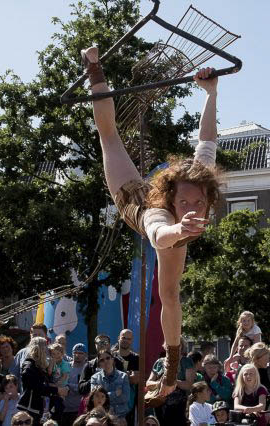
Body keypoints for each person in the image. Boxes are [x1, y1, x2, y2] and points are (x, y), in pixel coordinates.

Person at [84, 44, 220, 399]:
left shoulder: (201, 181)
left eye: (199, 203)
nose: (193, 208)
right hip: (136, 203)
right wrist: (179, 228)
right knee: (109, 137)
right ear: (173, 200)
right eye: (185, 203)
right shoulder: (159, 213)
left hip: (173, 230)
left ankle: (170, 372)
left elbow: (207, 138)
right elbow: (159, 234)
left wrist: (211, 93)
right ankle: (94, 68)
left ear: (206, 196)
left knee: (170, 294)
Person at [146, 339, 195, 426]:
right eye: (169, 344)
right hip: (159, 403)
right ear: (165, 346)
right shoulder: (159, 362)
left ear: (181, 346)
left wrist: (172, 381)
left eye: (176, 344)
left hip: (179, 405)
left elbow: (189, 385)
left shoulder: (186, 361)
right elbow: (148, 383)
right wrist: (160, 383)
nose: (172, 347)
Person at [19, 337, 68, 423]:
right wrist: (57, 390)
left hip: (41, 410)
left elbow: (45, 384)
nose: (48, 349)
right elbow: (36, 387)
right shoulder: (29, 366)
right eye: (45, 346)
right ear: (39, 349)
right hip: (31, 410)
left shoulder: (40, 365)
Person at [90, 350, 130, 421]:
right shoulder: (94, 378)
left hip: (120, 417)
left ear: (112, 360)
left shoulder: (123, 376)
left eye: (108, 358)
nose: (105, 361)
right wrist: (115, 393)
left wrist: (103, 397)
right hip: (101, 417)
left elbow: (125, 398)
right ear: (99, 364)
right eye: (102, 360)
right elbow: (96, 399)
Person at [249, 343, 270, 426]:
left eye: (268, 357)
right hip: (251, 417)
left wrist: (269, 411)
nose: (268, 360)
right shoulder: (247, 371)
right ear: (256, 358)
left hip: (269, 417)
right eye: (266, 358)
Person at [112, 329, 139, 426]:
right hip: (112, 403)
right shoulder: (110, 357)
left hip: (129, 404)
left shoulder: (136, 358)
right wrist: (127, 376)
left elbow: (135, 380)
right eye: (123, 338)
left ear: (132, 341)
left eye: (129, 339)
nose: (126, 340)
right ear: (118, 338)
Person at [62, 343, 88, 426]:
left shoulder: (87, 369)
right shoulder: (65, 366)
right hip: (64, 409)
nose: (77, 355)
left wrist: (68, 385)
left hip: (79, 410)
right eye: (75, 353)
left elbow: (84, 389)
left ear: (85, 355)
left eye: (80, 353)